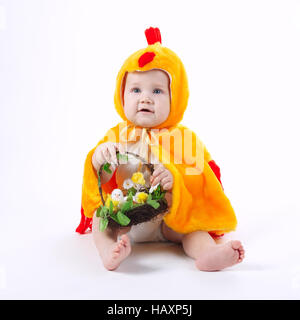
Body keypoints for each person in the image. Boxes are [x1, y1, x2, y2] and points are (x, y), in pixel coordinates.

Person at [76, 27, 245, 271]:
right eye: (136, 90)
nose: (145, 98)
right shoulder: (115, 135)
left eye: (157, 90)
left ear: (175, 97)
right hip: (128, 220)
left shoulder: (184, 138)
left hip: (169, 220)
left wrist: (174, 177)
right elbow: (102, 184)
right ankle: (108, 251)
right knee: (101, 219)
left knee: (193, 230)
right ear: (121, 95)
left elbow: (202, 178)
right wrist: (99, 160)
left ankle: (208, 254)